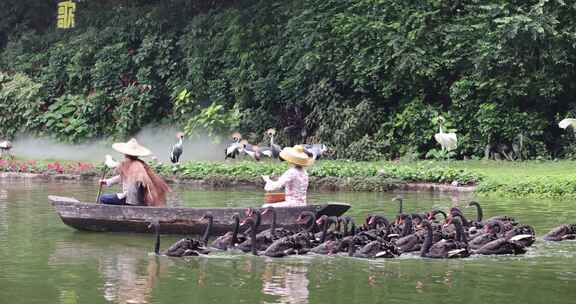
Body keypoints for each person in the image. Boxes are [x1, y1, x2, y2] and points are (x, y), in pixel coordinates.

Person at [99, 138, 171, 207]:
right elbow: (123, 176)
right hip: (140, 200)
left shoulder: (129, 163)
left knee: (103, 198)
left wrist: (108, 158)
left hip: (130, 200)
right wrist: (107, 181)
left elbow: (112, 164)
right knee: (107, 198)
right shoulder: (141, 164)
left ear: (125, 153)